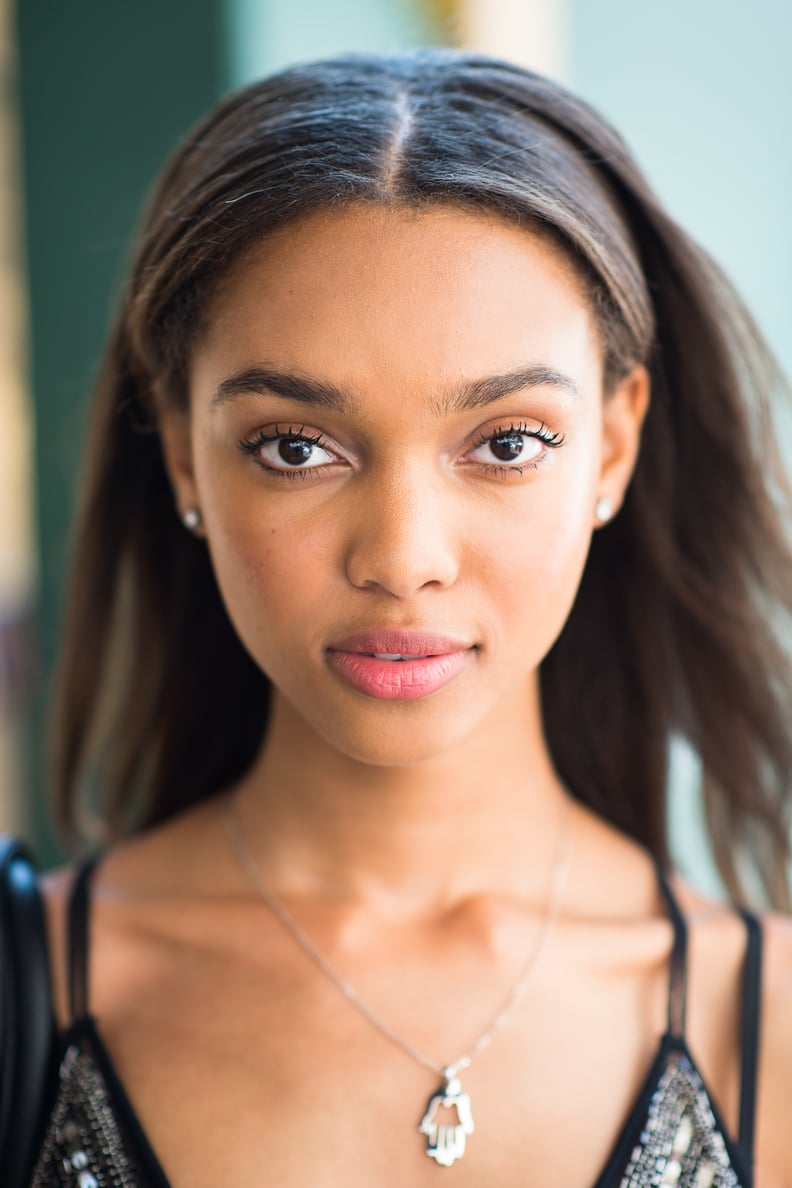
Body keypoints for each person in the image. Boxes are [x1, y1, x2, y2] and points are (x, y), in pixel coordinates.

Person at [26, 47, 792, 1186]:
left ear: (612, 447)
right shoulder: (33, 998)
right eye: (296, 447)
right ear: (184, 448)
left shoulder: (766, 1027)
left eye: (505, 444)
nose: (402, 559)